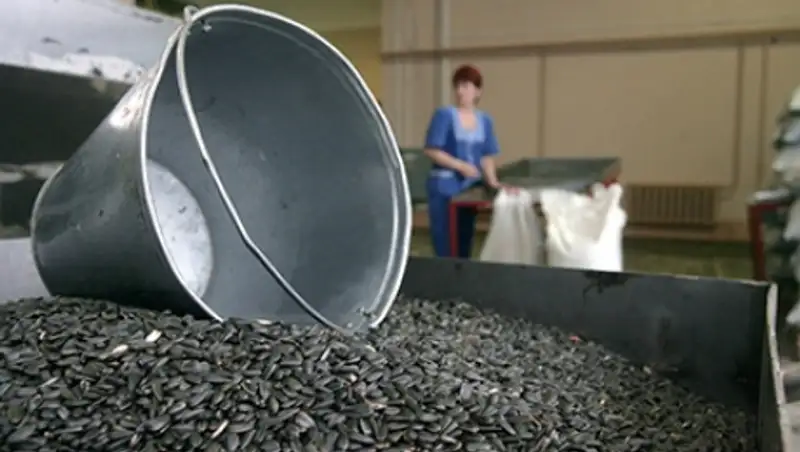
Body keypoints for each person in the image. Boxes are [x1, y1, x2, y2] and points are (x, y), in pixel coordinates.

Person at [423, 64, 514, 258]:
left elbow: (486, 156)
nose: (460, 91)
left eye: (465, 86)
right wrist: (460, 165)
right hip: (445, 186)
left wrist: (493, 182)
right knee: (446, 240)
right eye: (457, 86)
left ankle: (462, 270)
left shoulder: (485, 121)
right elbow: (432, 150)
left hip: (469, 189)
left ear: (477, 91)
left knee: (465, 237)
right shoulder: (444, 115)